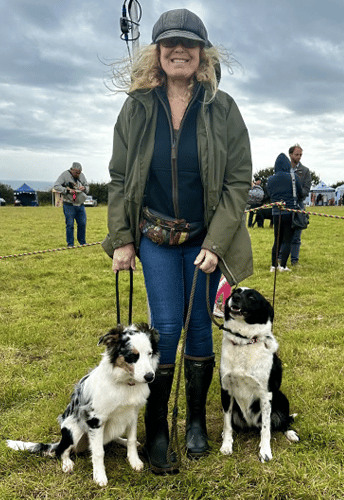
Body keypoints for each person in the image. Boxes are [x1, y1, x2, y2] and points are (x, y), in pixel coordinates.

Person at [102, 8, 253, 475]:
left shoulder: (223, 108)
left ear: (203, 53)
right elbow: (120, 176)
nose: (180, 50)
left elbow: (237, 181)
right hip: (155, 237)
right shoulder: (137, 106)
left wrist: (219, 240)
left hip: (208, 240)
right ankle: (158, 431)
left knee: (203, 329)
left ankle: (194, 424)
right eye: (170, 43)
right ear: (158, 51)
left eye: (190, 43)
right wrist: (122, 238)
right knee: (165, 330)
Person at [266, 153, 303, 272]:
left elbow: (269, 194)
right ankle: (283, 266)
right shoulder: (293, 177)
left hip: (276, 212)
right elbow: (300, 193)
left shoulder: (270, 179)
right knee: (287, 239)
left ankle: (273, 265)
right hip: (289, 211)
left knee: (277, 239)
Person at [282, 144, 312, 265]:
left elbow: (306, 189)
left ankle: (294, 260)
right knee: (284, 234)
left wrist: (297, 194)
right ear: (290, 155)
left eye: (300, 155)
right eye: (296, 154)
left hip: (299, 205)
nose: (299, 157)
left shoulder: (305, 171)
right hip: (285, 205)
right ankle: (280, 257)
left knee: (296, 236)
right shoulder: (284, 169)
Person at [53, 162, 89, 247]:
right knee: (70, 224)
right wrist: (67, 190)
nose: (78, 174)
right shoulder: (64, 175)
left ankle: (82, 242)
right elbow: (56, 186)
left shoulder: (81, 176)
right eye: (76, 172)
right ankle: (70, 244)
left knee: (82, 224)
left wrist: (84, 188)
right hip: (69, 204)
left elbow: (87, 187)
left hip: (80, 204)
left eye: (79, 172)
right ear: (71, 170)